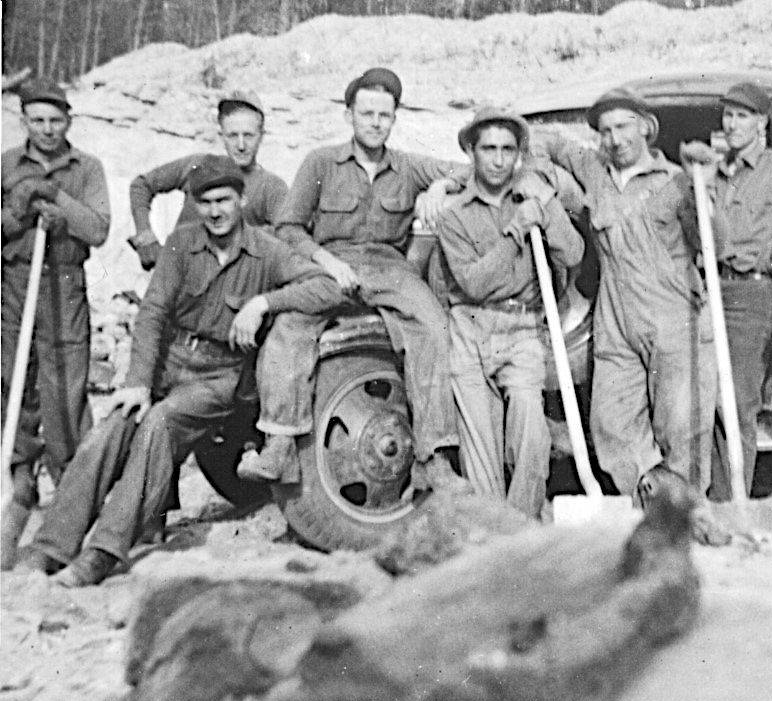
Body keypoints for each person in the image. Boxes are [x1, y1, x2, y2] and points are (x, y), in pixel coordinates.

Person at [14, 158, 341, 586]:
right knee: (114, 425)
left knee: (158, 425)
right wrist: (137, 384)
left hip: (219, 375)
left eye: (224, 200)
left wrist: (264, 303)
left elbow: (327, 285)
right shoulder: (181, 244)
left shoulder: (267, 250)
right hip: (169, 361)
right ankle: (49, 547)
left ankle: (101, 553)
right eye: (204, 203)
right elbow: (152, 313)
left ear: (241, 200)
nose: (215, 211)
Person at [236, 68, 467, 490]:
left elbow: (468, 171)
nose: (376, 122)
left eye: (385, 114)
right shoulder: (321, 162)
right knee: (290, 327)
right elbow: (289, 227)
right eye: (367, 114)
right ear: (349, 116)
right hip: (329, 266)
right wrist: (325, 261)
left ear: (394, 118)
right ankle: (280, 446)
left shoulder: (409, 167)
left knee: (433, 328)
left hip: (388, 271)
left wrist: (440, 187)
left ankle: (432, 458)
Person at [531, 87, 717, 504]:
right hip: (615, 321)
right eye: (606, 130)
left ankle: (683, 510)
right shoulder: (594, 170)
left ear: (646, 129)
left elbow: (712, 242)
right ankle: (647, 501)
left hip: (673, 317)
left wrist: (704, 189)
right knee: (610, 423)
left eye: (624, 127)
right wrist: (537, 174)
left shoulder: (676, 182)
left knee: (681, 427)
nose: (615, 139)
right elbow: (544, 139)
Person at [437, 108, 585, 518]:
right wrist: (515, 231)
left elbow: (573, 253)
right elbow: (474, 283)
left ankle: (520, 530)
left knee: (531, 431)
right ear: (471, 151)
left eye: (508, 149)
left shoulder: (535, 195)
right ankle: (491, 538)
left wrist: (547, 213)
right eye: (489, 149)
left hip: (523, 329)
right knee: (480, 449)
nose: (499, 159)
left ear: (519, 152)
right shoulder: (453, 214)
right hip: (470, 329)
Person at [680, 81, 772, 501]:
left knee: (735, 401)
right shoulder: (716, 173)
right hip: (713, 290)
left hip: (755, 296)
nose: (733, 124)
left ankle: (730, 500)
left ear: (762, 122)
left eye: (743, 116)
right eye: (728, 116)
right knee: (702, 396)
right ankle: (703, 496)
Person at [1, 78, 110, 554]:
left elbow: (99, 229)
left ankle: (73, 496)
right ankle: (20, 485)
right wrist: (19, 213)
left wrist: (60, 205)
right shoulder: (5, 165)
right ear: (24, 121)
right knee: (14, 384)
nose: (47, 129)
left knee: (66, 391)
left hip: (65, 287)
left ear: (69, 121)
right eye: (37, 120)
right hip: (16, 286)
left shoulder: (88, 168)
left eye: (56, 120)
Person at [128, 90, 288, 269]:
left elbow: (289, 233)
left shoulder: (272, 187)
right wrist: (145, 236)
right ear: (222, 136)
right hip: (175, 280)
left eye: (249, 135)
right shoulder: (198, 165)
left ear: (261, 136)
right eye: (233, 135)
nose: (241, 145)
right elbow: (141, 185)